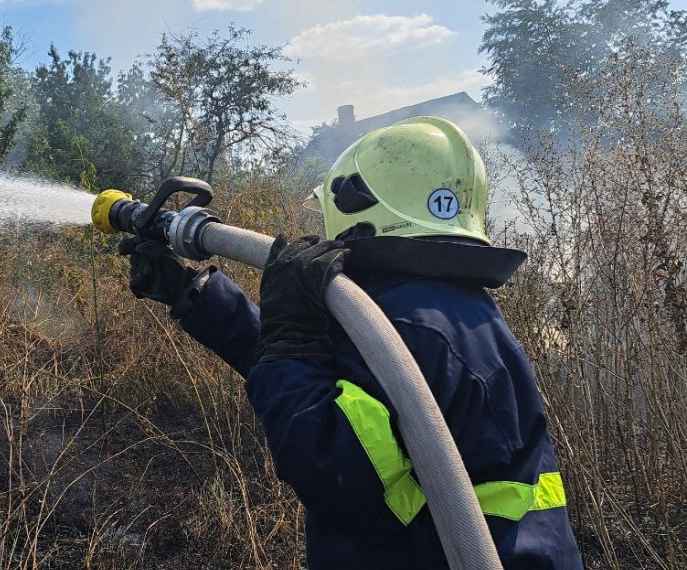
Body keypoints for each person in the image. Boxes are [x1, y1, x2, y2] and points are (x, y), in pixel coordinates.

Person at [119, 117, 583, 569]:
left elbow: (337, 471)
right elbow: (325, 373)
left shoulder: (406, 323)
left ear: (359, 209)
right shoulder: (439, 306)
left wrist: (290, 334)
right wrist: (193, 296)